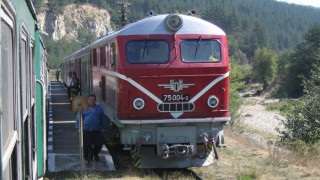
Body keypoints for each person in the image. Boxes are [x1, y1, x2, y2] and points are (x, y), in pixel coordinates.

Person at [76, 94, 107, 167]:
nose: (92, 101)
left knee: (99, 144)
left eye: (93, 99)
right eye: (90, 99)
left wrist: (104, 128)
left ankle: (95, 153)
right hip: (87, 130)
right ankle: (89, 160)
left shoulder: (99, 109)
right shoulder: (83, 108)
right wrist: (78, 128)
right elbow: (78, 119)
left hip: (97, 130)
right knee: (88, 146)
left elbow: (103, 119)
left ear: (95, 100)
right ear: (87, 100)